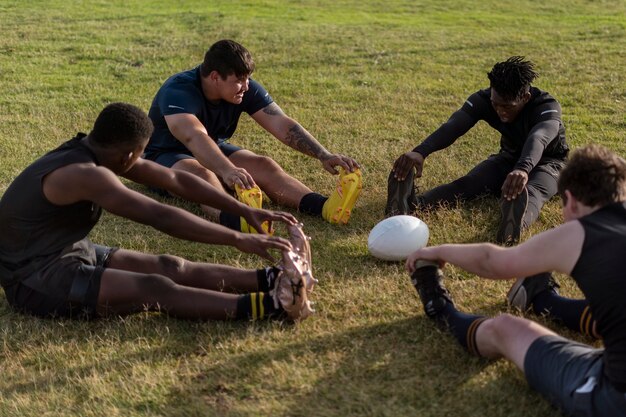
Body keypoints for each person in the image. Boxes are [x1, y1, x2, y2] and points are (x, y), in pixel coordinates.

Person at [0, 102, 312, 322]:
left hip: (63, 252)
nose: (139, 161)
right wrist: (236, 238)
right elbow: (160, 215)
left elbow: (175, 179)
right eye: (139, 154)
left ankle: (270, 278)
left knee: (170, 265)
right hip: (34, 280)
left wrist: (242, 208)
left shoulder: (95, 150)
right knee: (155, 288)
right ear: (128, 154)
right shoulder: (86, 175)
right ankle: (272, 307)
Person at [405, 145, 626, 416]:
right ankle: (543, 299)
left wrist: (436, 251)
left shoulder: (580, 233)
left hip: (613, 398)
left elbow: (494, 262)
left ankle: (439, 308)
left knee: (506, 327)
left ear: (570, 200)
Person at [144, 39, 362, 229]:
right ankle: (238, 219)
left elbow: (281, 123)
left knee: (264, 165)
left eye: (248, 79)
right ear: (215, 77)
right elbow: (193, 136)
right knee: (202, 175)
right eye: (239, 80)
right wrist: (227, 170)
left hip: (211, 147)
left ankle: (323, 207)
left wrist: (323, 155)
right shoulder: (178, 91)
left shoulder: (243, 88)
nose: (246, 86)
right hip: (165, 156)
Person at [388, 56, 569, 245]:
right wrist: (420, 151)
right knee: (469, 183)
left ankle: (514, 226)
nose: (500, 111)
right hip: (508, 159)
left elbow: (539, 137)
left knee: (532, 193)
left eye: (507, 107)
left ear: (525, 97)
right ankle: (414, 204)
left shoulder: (547, 107)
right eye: (495, 104)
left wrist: (523, 169)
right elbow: (455, 125)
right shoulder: (485, 99)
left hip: (550, 163)